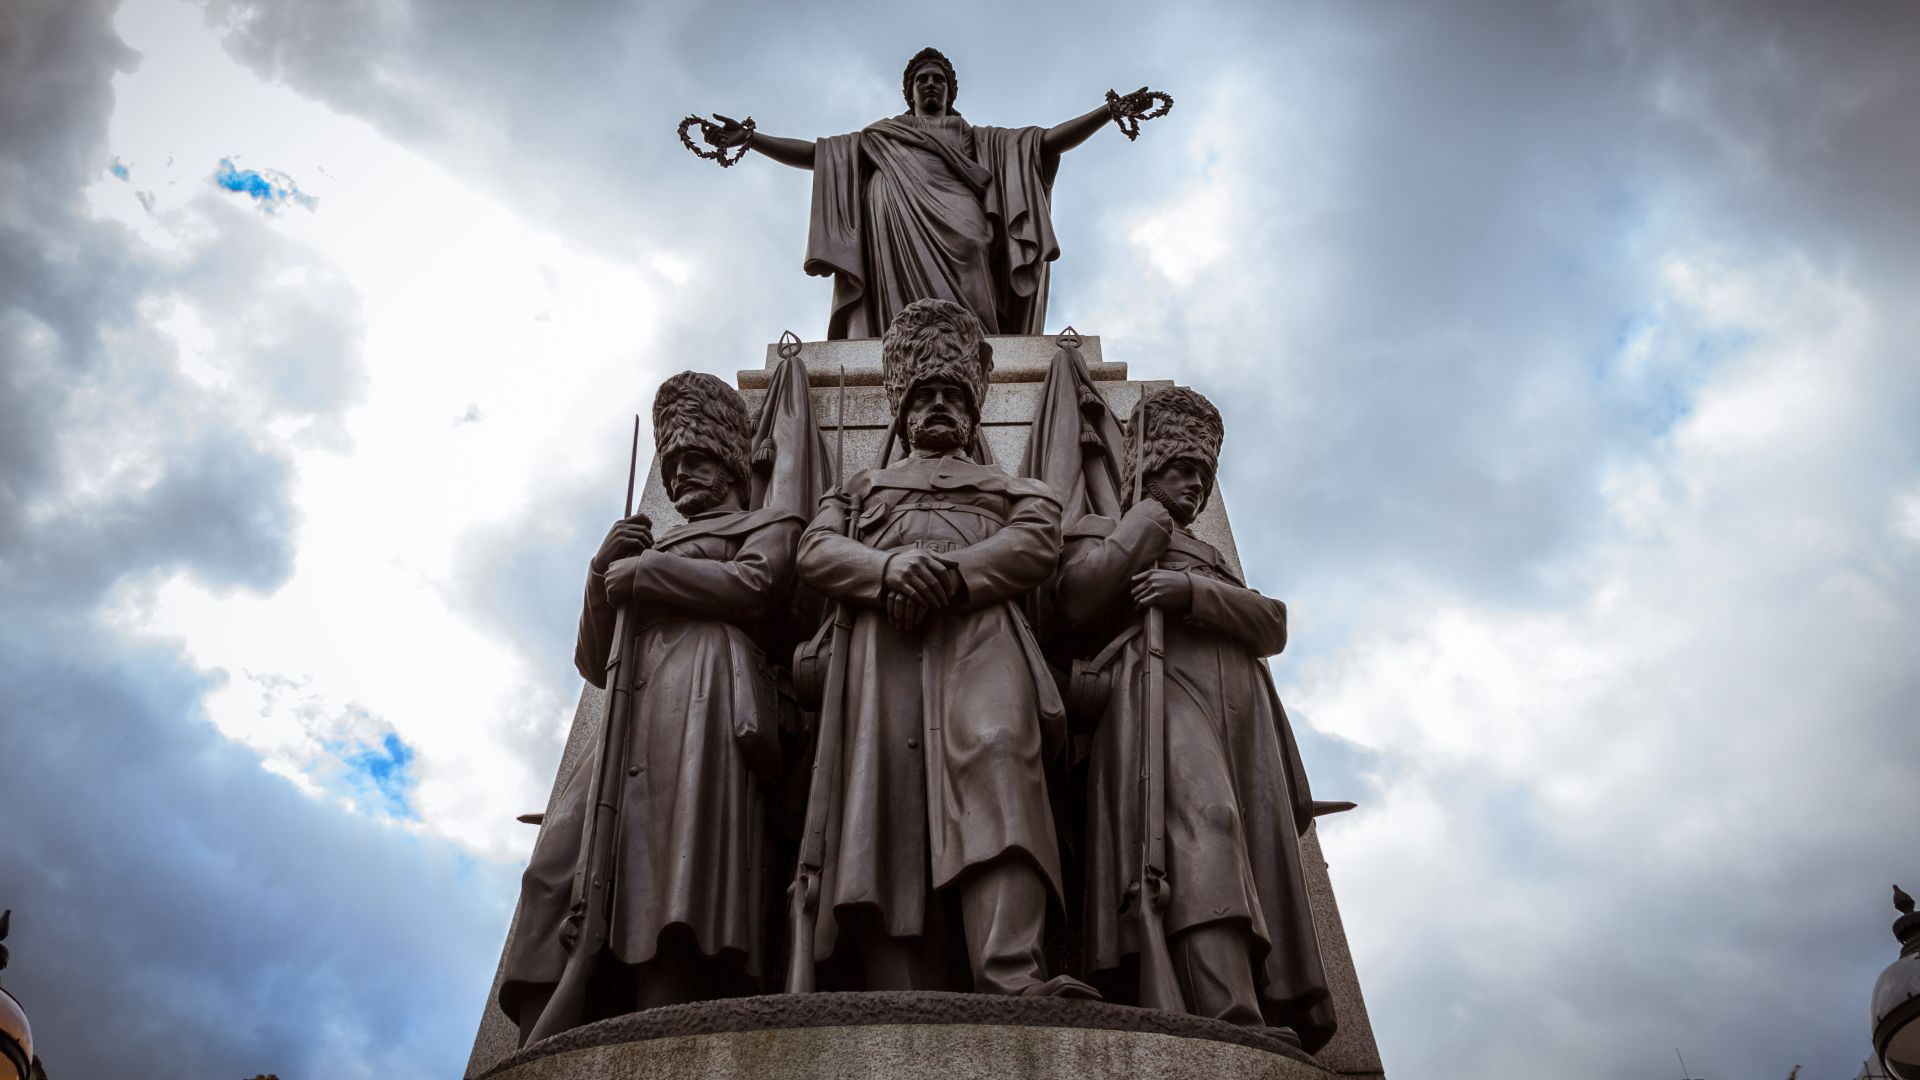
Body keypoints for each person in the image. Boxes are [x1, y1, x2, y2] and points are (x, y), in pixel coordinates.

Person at [793, 299, 1093, 997]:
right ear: (902, 413)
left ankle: (1011, 972)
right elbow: (815, 549)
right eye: (923, 396)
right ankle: (897, 986)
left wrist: (944, 577)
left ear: (972, 413)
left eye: (951, 397)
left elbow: (1035, 546)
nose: (936, 406)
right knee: (886, 803)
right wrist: (887, 569)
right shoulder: (857, 489)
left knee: (1000, 760)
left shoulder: (1019, 489)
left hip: (983, 641)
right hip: (881, 652)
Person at [500, 372, 806, 1042]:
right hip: (627, 714)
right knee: (556, 867)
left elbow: (757, 585)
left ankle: (660, 1014)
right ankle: (537, 1035)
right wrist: (599, 574)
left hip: (702, 693)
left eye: (696, 459)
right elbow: (594, 660)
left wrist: (647, 574)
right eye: (672, 466)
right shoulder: (647, 547)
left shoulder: (770, 522)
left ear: (731, 463)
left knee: (676, 866)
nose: (680, 475)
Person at [1051, 386, 1337, 1049]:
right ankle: (1226, 1012)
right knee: (1207, 822)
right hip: (1160, 686)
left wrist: (1188, 590)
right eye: (1182, 470)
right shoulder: (1104, 530)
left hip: (1240, 709)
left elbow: (1272, 622)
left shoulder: (1212, 560)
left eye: (1203, 476)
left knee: (1248, 846)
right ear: (1148, 468)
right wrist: (1143, 524)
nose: (1196, 486)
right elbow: (1075, 601)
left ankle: (1257, 998)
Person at [702, 47, 1165, 338]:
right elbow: (819, 155)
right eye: (921, 79)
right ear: (910, 91)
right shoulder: (882, 136)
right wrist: (752, 140)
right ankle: (901, 342)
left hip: (959, 214)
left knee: (973, 247)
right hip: (892, 221)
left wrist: (1106, 112)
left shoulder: (977, 137)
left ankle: (977, 343)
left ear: (949, 92)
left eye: (937, 79)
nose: (929, 84)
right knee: (900, 313)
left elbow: (1042, 143)